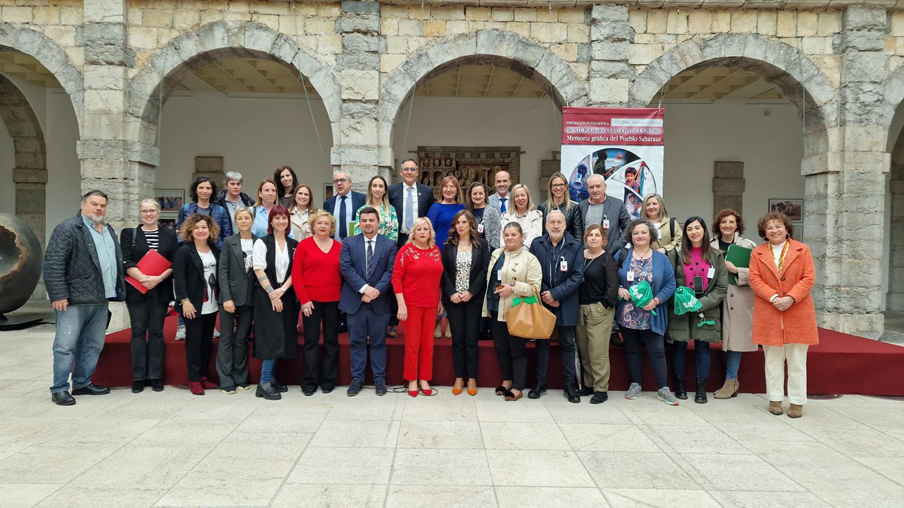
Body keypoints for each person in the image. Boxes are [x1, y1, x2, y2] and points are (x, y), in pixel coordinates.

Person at [44, 190, 125, 406]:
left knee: (93, 345)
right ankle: (60, 388)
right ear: (83, 204)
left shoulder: (107, 229)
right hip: (73, 300)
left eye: (102, 205)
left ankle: (82, 382)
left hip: (100, 299)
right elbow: (53, 263)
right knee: (65, 346)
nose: (99, 208)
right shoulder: (68, 228)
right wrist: (58, 294)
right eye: (94, 204)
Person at [749, 212, 818, 419]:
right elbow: (754, 279)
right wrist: (773, 297)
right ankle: (775, 399)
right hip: (769, 311)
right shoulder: (758, 253)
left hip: (797, 311)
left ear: (787, 228)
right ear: (764, 233)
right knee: (772, 361)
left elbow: (808, 278)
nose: (774, 230)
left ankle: (797, 401)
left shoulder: (802, 250)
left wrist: (790, 298)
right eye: (769, 227)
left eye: (778, 226)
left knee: (797, 361)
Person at [616, 218, 678, 405]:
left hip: (652, 313)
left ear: (650, 235)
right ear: (630, 236)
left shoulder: (661, 258)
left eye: (643, 232)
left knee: (657, 350)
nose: (640, 236)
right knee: (632, 350)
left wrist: (656, 300)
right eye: (636, 233)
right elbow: (609, 276)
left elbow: (671, 283)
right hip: (627, 314)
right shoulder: (622, 254)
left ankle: (663, 388)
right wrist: (618, 288)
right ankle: (635, 384)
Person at [667, 216, 728, 404]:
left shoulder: (716, 256)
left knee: (703, 346)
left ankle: (701, 387)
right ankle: (680, 384)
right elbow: (668, 282)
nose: (694, 232)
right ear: (685, 233)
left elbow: (721, 288)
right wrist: (683, 300)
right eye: (689, 229)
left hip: (705, 308)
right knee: (679, 345)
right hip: (681, 307)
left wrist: (701, 303)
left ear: (704, 230)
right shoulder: (676, 254)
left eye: (697, 228)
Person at [340, 207, 398, 397]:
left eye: (371, 220)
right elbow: (346, 268)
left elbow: (390, 271)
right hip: (355, 301)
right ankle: (356, 380)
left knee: (378, 342)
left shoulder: (389, 244)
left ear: (378, 222)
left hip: (379, 303)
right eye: (364, 220)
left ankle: (379, 380)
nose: (367, 224)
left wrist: (374, 292)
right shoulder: (348, 243)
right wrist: (364, 289)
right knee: (356, 342)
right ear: (359, 223)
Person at [121, 199, 177, 393]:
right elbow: (126, 260)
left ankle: (155, 375)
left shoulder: (169, 234)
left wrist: (158, 279)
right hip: (137, 289)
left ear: (158, 213)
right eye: (145, 211)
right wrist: (144, 278)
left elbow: (174, 261)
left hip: (160, 289)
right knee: (137, 332)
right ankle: (138, 377)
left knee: (156, 332)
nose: (148, 214)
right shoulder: (129, 233)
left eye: (152, 210)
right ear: (140, 213)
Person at [527, 210, 584, 402]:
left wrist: (556, 294)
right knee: (542, 343)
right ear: (546, 225)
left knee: (568, 343)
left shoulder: (575, 245)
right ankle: (540, 383)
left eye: (559, 222)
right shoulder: (537, 244)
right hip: (543, 300)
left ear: (565, 225)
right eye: (552, 222)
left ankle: (569, 385)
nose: (556, 225)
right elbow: (531, 271)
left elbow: (577, 275)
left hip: (566, 301)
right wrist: (547, 294)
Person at [482, 222, 542, 402]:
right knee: (501, 348)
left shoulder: (530, 259)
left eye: (513, 234)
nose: (509, 238)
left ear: (521, 236)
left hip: (516, 310)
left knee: (517, 350)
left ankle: (517, 386)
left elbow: (535, 288)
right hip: (496, 307)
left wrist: (513, 288)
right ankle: (507, 381)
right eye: (507, 234)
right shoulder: (496, 254)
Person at [292, 210, 343, 396]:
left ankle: (329, 380)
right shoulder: (304, 246)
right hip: (310, 302)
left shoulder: (339, 247)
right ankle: (309, 382)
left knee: (331, 340)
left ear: (331, 227)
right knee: (311, 341)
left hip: (333, 301)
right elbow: (296, 275)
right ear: (312, 226)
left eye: (326, 224)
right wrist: (304, 300)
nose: (322, 226)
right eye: (319, 223)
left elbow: (343, 275)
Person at [392, 217, 444, 397]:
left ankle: (424, 378)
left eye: (426, 229)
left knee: (428, 344)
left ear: (431, 232)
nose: (422, 232)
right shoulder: (406, 251)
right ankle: (412, 379)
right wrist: (401, 305)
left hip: (431, 304)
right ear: (413, 232)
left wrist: (439, 300)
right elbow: (396, 278)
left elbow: (438, 279)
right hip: (411, 304)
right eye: (419, 229)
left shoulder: (436, 251)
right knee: (413, 345)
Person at [710, 209, 758, 399]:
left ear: (737, 224)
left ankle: (730, 380)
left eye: (731, 222)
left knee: (734, 339)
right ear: (718, 225)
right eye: (723, 222)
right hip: (716, 296)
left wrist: (736, 269)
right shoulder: (710, 245)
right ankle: (732, 381)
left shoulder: (748, 245)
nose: (727, 225)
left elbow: (758, 273)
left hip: (739, 296)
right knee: (724, 337)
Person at [252, 205, 299, 400]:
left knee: (283, 335)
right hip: (266, 294)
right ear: (271, 221)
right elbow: (258, 269)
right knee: (271, 336)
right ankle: (263, 383)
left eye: (284, 218)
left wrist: (282, 290)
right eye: (277, 218)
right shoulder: (262, 243)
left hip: (286, 293)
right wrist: (273, 294)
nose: (281, 221)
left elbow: (296, 272)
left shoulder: (294, 244)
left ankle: (271, 379)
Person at [441, 210, 490, 396]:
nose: (460, 226)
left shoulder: (481, 244)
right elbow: (444, 271)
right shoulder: (448, 245)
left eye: (463, 222)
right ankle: (459, 377)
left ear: (471, 224)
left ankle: (471, 378)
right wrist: (451, 293)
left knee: (471, 339)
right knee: (458, 340)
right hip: (453, 299)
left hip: (473, 299)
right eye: (457, 223)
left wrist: (471, 292)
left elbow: (485, 271)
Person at [173, 213, 221, 395]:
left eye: (204, 227)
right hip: (193, 305)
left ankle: (202, 376)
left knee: (206, 343)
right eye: (197, 228)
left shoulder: (215, 249)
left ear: (210, 231)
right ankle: (193, 380)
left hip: (212, 303)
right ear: (190, 231)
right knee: (193, 343)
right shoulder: (185, 251)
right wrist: (184, 301)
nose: (201, 231)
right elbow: (179, 278)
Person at [575, 225, 619, 404]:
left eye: (597, 235)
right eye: (590, 235)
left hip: (599, 310)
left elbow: (613, 287)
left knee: (598, 351)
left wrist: (603, 305)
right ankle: (589, 385)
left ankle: (601, 389)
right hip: (579, 309)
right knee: (584, 350)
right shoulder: (580, 256)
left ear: (604, 239)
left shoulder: (607, 259)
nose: (593, 238)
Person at [216, 207, 257, 395]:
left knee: (241, 340)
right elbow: (222, 271)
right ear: (236, 221)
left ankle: (240, 378)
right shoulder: (229, 242)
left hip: (250, 298)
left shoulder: (259, 242)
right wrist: (226, 297)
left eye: (246, 218)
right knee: (226, 339)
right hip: (229, 298)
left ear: (252, 220)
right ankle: (226, 380)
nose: (243, 221)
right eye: (239, 218)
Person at [576, 174, 631, 253]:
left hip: (610, 255)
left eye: (598, 186)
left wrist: (616, 245)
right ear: (587, 189)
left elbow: (628, 227)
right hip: (586, 256)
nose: (595, 190)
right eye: (591, 187)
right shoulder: (581, 206)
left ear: (605, 186)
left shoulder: (617, 204)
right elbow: (577, 231)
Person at [389, 159, 436, 246]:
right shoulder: (391, 190)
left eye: (412, 169)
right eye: (406, 169)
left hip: (419, 239)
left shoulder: (427, 191)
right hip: (398, 239)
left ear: (417, 173)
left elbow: (430, 214)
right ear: (401, 172)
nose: (409, 172)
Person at [176, 176, 232, 248]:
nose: (204, 191)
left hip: (215, 249)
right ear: (196, 190)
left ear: (212, 191)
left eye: (208, 188)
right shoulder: (185, 209)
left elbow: (226, 234)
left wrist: (221, 248)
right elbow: (180, 232)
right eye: (201, 188)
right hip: (191, 250)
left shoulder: (220, 210)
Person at [427, 175, 466, 252]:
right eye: (445, 186)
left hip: (460, 249)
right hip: (440, 250)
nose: (448, 189)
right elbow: (429, 232)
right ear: (441, 190)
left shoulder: (463, 207)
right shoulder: (435, 208)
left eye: (452, 186)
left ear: (457, 190)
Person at [354, 175, 399, 242]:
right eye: (374, 186)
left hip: (385, 248)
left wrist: (386, 247)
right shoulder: (361, 210)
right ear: (370, 189)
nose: (377, 189)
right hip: (366, 247)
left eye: (381, 186)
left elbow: (394, 233)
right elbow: (357, 231)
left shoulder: (391, 210)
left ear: (385, 190)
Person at [324, 171, 366, 242]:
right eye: (336, 181)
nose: (339, 183)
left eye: (342, 180)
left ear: (350, 183)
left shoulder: (362, 199)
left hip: (356, 244)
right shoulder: (328, 203)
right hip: (334, 245)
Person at [538, 172, 582, 238]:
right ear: (550, 188)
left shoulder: (574, 208)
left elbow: (578, 234)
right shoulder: (542, 207)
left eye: (561, 185)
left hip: (568, 247)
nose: (558, 188)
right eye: (555, 185)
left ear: (566, 187)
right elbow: (540, 233)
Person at [500, 184, 543, 248]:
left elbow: (536, 236)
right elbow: (503, 240)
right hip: (509, 254)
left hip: (530, 253)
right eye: (516, 196)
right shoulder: (505, 216)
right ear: (513, 199)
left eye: (523, 195)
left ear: (528, 197)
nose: (520, 198)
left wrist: (523, 250)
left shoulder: (537, 215)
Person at [467, 182, 501, 250]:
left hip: (486, 252)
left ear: (485, 195)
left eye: (481, 193)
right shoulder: (467, 212)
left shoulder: (492, 212)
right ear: (470, 195)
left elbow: (496, 237)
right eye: (474, 194)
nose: (478, 196)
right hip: (469, 250)